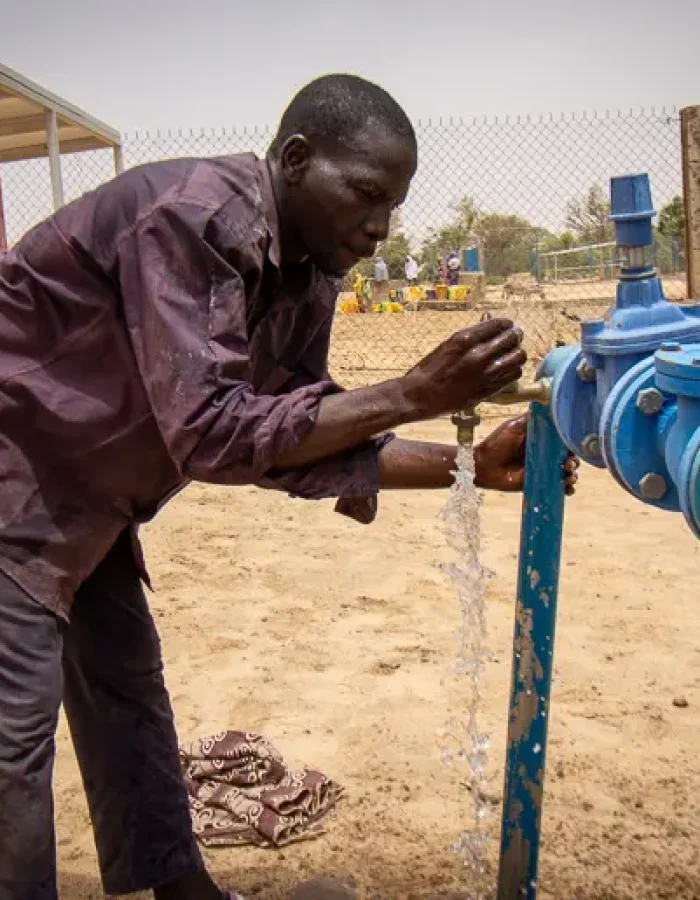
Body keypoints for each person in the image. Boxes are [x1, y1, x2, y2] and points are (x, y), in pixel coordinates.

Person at [0, 73, 576, 900]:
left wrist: (471, 467)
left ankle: (181, 888)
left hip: (87, 498)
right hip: (15, 485)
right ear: (297, 160)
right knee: (13, 747)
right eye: (368, 194)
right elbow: (212, 432)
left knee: (127, 690)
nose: (380, 228)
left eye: (395, 205)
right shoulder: (193, 220)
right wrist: (412, 392)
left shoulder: (307, 270)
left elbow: (290, 438)